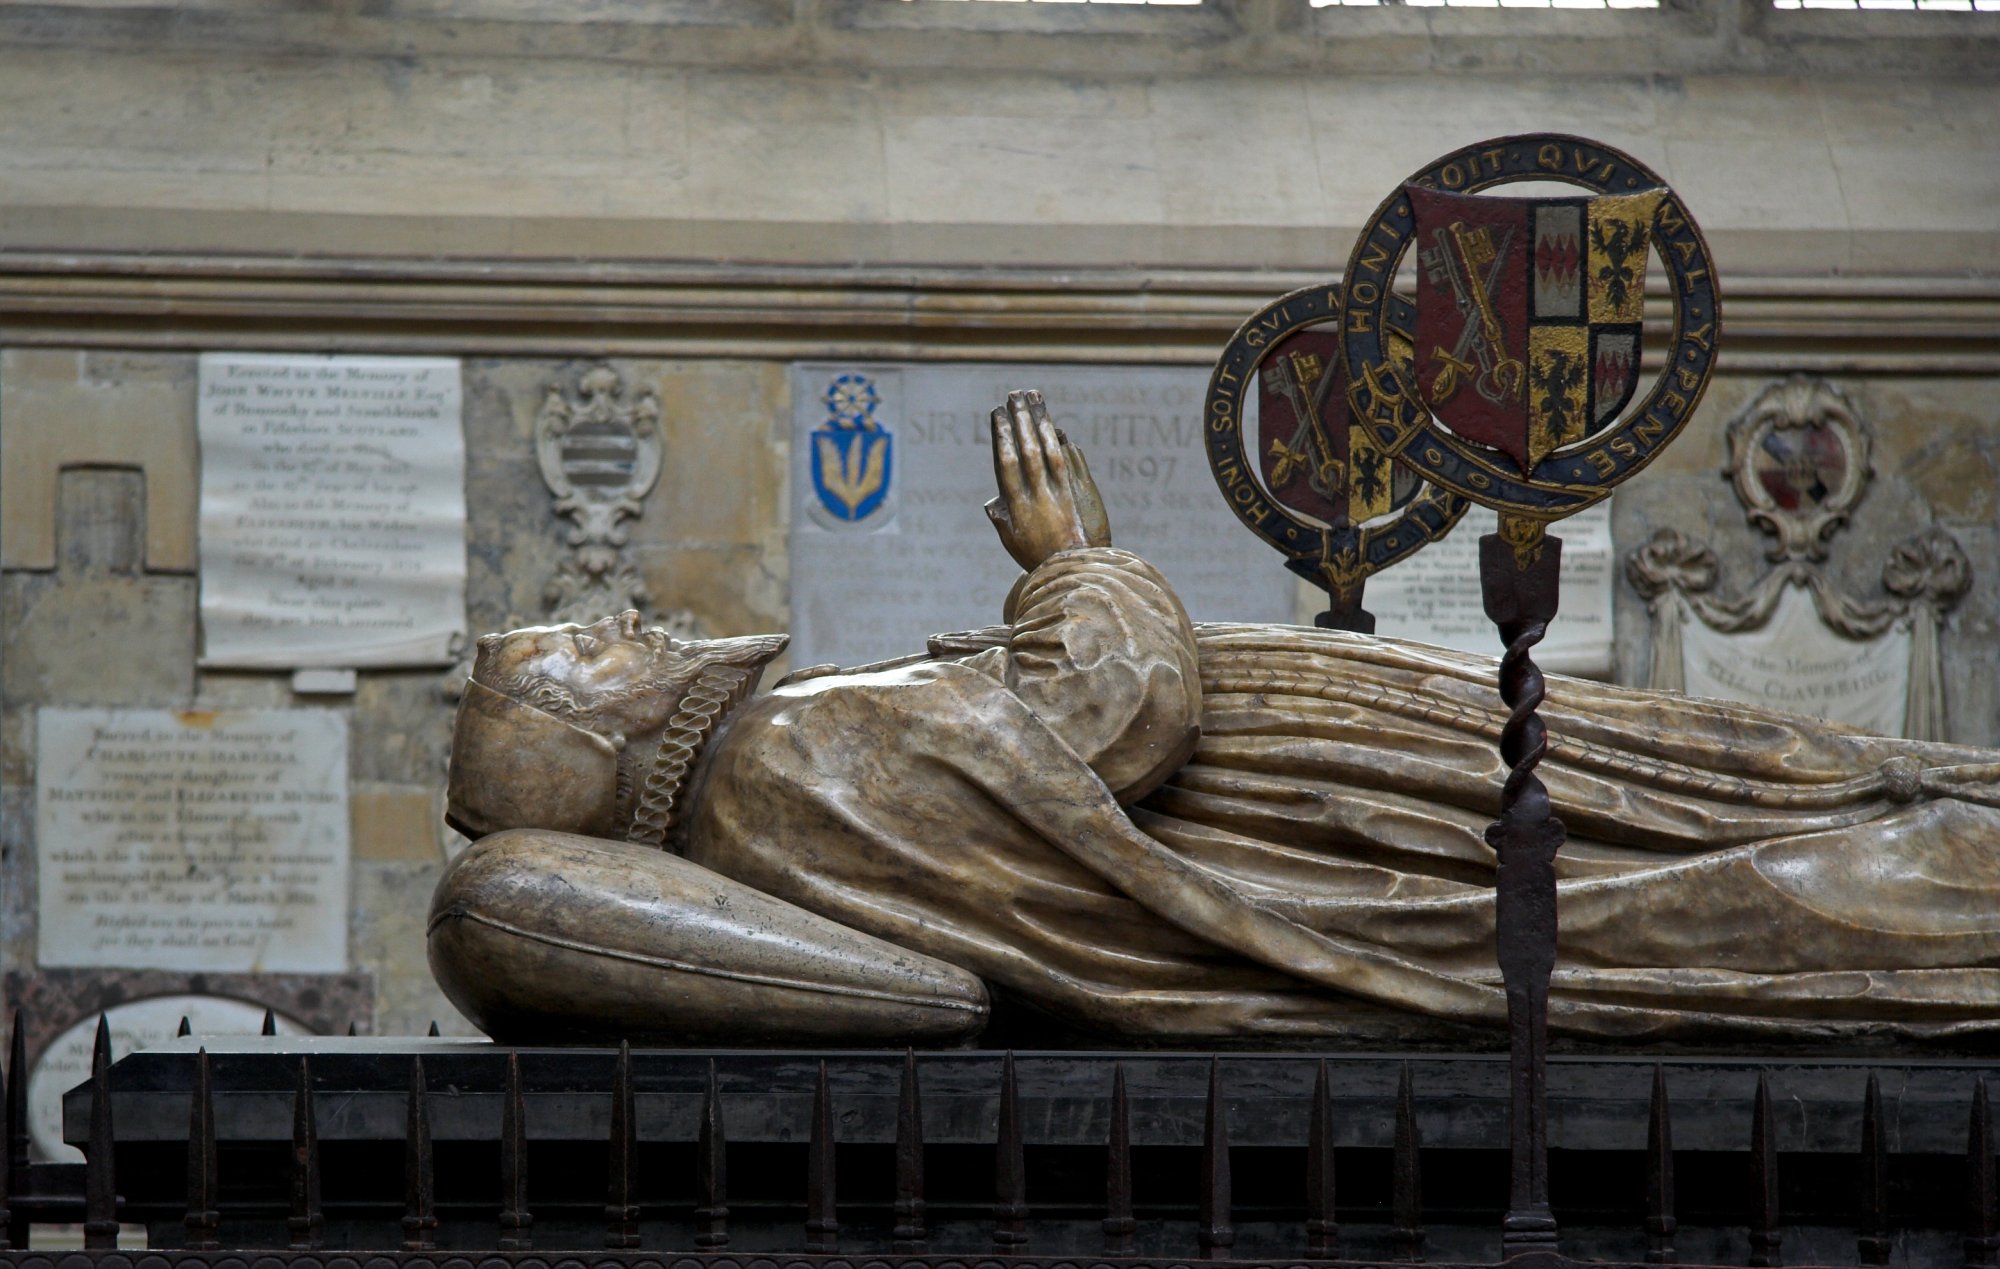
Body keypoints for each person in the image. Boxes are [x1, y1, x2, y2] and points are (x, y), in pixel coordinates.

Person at [431, 391, 2000, 1046]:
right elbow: (1114, 717)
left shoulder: (770, 782)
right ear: (592, 739)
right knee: (1772, 815)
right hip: (1327, 805)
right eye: (584, 644)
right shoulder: (777, 761)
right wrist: (1075, 556)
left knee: (1782, 789)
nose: (622, 619)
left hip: (1331, 786)